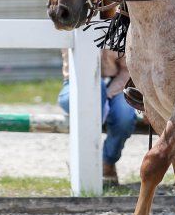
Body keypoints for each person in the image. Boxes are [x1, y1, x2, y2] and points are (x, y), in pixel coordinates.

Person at [58, 48, 137, 187]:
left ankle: (107, 161)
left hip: (115, 82)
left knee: (125, 116)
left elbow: (127, 70)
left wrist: (108, 93)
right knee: (95, 87)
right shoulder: (77, 27)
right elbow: (79, 70)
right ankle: (85, 159)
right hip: (76, 83)